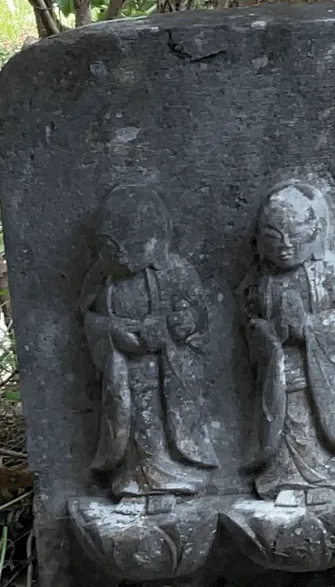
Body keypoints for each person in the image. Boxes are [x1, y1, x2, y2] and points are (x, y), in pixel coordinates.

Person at [81, 185, 218, 499]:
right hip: (125, 372)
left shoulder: (177, 271)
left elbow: (197, 316)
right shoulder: (104, 280)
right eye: (111, 250)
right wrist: (112, 332)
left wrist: (177, 327)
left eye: (131, 247)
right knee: (134, 424)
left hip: (169, 371)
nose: (121, 257)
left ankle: (177, 473)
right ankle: (136, 479)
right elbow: (90, 318)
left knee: (166, 421)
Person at [245, 181, 335, 501]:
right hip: (280, 369)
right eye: (274, 236)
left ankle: (325, 476)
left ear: (316, 231)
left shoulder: (331, 271)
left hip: (320, 371)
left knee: (312, 419)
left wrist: (309, 328)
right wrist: (268, 333)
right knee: (287, 421)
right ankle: (286, 477)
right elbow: (250, 320)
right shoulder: (262, 279)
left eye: (295, 234)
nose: (286, 245)